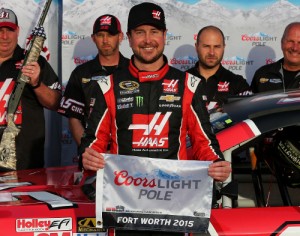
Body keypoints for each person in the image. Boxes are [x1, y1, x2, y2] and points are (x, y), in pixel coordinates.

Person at [80, 3, 231, 235]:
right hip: (125, 209)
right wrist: (88, 158)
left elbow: (204, 142)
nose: (147, 40)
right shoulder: (107, 85)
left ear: (165, 36)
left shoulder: (188, 85)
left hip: (175, 209)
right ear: (128, 38)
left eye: (154, 32)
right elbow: (93, 144)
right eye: (140, 32)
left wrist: (217, 164)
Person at [0, 8, 61, 170]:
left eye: (9, 30)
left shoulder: (34, 62)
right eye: (0, 30)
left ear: (18, 31)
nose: (4, 36)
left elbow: (57, 103)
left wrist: (36, 83)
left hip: (26, 166)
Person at [58, 14, 129, 146]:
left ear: (120, 36)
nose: (105, 40)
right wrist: (89, 150)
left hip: (127, 156)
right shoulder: (80, 74)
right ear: (93, 38)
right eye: (100, 35)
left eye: (111, 34)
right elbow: (74, 119)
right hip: (93, 155)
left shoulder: (134, 70)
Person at [186, 25, 252, 111]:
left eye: (217, 46)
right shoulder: (181, 79)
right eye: (206, 46)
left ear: (224, 47)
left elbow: (247, 117)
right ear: (196, 47)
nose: (212, 52)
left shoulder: (238, 83)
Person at [251, 22, 300, 93]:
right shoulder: (262, 74)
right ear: (282, 43)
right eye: (290, 41)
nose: (295, 48)